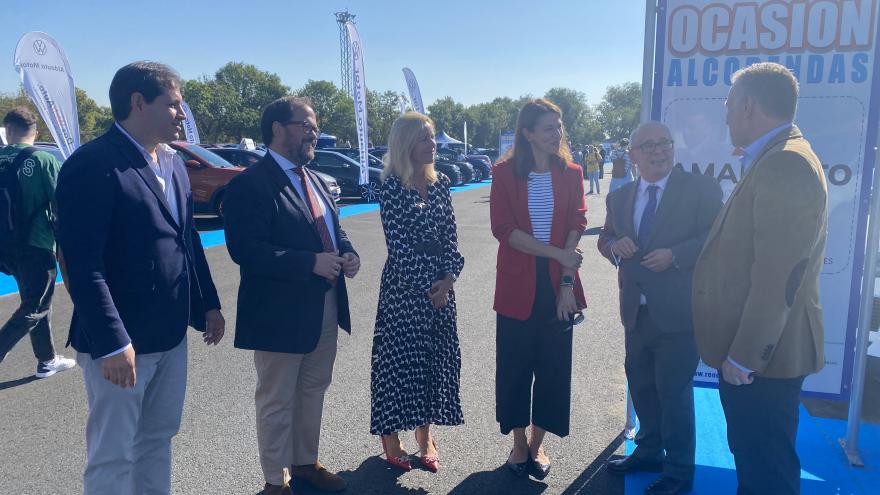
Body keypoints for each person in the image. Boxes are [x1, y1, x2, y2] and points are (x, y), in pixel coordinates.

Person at [55, 62, 225, 495]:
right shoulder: (93, 164)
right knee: (113, 452)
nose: (181, 114)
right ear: (137, 102)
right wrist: (112, 340)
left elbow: (187, 240)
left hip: (169, 335)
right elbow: (82, 263)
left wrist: (209, 303)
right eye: (173, 105)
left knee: (157, 440)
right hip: (120, 345)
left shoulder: (173, 163)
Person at [693, 62, 828, 495]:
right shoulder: (775, 156)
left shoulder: (785, 163)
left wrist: (747, 356)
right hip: (760, 360)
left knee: (766, 470)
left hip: (762, 364)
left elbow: (778, 276)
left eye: (729, 106)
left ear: (748, 105)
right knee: (756, 462)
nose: (727, 115)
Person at [223, 96, 360, 495]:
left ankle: (304, 463)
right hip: (278, 313)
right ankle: (274, 481)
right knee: (276, 399)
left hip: (325, 304)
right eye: (306, 125)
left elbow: (334, 229)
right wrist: (309, 263)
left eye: (314, 126)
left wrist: (347, 252)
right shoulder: (250, 183)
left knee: (313, 391)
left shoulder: (314, 178)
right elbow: (245, 249)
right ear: (278, 129)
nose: (313, 133)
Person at [598, 122, 722, 495]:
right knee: (643, 387)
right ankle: (649, 451)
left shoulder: (699, 188)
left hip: (678, 314)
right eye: (648, 145)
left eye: (664, 143)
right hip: (636, 313)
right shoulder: (620, 197)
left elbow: (716, 238)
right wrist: (615, 245)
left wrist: (676, 256)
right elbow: (604, 238)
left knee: (674, 394)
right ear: (632, 155)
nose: (658, 151)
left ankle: (679, 473)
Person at [490, 98, 587, 480]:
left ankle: (536, 443)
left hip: (558, 286)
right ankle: (517, 441)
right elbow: (504, 231)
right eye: (548, 127)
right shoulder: (504, 173)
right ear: (527, 133)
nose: (556, 133)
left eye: (558, 126)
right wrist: (556, 253)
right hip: (517, 287)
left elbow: (577, 221)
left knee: (553, 369)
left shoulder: (573, 172)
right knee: (514, 369)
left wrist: (566, 282)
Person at [370, 112, 465, 473]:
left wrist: (449, 279)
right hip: (404, 291)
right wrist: (431, 287)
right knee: (397, 364)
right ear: (406, 143)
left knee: (432, 363)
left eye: (433, 138)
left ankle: (426, 438)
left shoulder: (440, 183)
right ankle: (391, 438)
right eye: (425, 138)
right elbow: (399, 245)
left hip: (442, 287)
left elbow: (451, 238)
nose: (433, 145)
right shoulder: (391, 185)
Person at [0, 108, 75, 378]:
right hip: (37, 244)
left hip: (5, 246)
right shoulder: (42, 159)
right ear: (36, 132)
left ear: (7, 130)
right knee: (36, 305)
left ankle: (46, 359)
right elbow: (62, 205)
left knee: (34, 300)